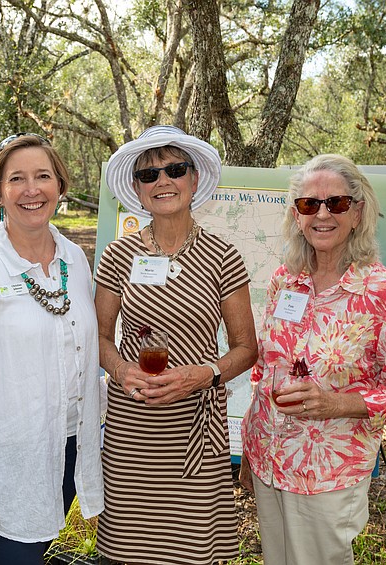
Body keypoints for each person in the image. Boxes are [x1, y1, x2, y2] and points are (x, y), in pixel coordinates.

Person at [239, 154, 386, 565]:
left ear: (358, 211)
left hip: (327, 475)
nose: (322, 215)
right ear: (296, 214)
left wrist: (337, 403)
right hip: (268, 460)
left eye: (337, 203)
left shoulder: (384, 294)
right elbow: (265, 367)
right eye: (310, 204)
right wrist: (251, 452)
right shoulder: (284, 279)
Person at [93, 125, 258, 564]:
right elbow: (99, 337)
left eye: (175, 169)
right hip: (134, 422)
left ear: (194, 179)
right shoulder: (117, 255)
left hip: (195, 428)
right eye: (149, 175)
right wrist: (120, 369)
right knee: (128, 549)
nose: (163, 181)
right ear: (137, 188)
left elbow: (246, 347)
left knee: (189, 551)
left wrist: (203, 375)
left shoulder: (224, 255)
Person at [0, 133, 103, 564]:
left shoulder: (74, 259)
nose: (32, 190)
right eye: (17, 179)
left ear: (60, 186)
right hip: (4, 458)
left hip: (67, 445)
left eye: (43, 176)